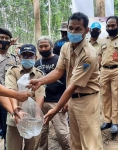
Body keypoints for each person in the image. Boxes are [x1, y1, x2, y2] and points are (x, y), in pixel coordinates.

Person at [29, 12, 103, 150]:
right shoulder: (66, 47)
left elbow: (72, 86)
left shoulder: (89, 54)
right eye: (71, 28)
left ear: (86, 31)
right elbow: (58, 71)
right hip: (73, 100)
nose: (73, 32)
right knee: (75, 141)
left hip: (87, 100)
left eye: (78, 29)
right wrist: (40, 81)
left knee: (90, 142)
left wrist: (55, 109)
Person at [5, 44, 45, 150]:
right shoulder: (12, 71)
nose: (27, 58)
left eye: (30, 55)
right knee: (13, 147)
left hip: (32, 120)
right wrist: (15, 110)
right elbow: (11, 91)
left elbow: (40, 95)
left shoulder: (39, 74)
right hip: (15, 118)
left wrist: (37, 116)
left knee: (31, 147)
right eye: (25, 56)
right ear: (19, 57)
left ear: (35, 57)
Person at [35, 36, 70, 150]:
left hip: (57, 101)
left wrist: (67, 100)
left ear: (51, 46)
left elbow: (68, 81)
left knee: (62, 133)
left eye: (46, 46)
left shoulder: (60, 60)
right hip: (40, 102)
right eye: (41, 46)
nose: (43, 48)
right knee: (41, 134)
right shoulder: (36, 63)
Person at [0, 27, 20, 148]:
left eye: (7, 38)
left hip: (7, 99)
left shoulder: (14, 58)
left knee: (8, 130)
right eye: (1, 38)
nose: (4, 40)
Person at [99, 16, 118, 134]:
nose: (110, 27)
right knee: (105, 95)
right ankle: (107, 120)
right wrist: (97, 70)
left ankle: (115, 122)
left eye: (113, 25)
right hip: (104, 71)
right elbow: (99, 56)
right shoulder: (103, 40)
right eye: (108, 26)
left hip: (117, 71)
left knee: (116, 96)